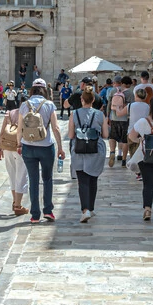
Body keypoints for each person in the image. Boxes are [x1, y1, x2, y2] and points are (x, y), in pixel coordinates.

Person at [17, 78, 65, 223]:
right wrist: (60, 147)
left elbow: (20, 128)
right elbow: (56, 128)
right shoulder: (49, 104)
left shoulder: (24, 105)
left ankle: (35, 214)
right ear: (44, 89)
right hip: (45, 146)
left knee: (33, 179)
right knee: (47, 178)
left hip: (28, 146)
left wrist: (19, 144)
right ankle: (48, 211)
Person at [68, 89, 109, 223]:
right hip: (95, 149)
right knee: (93, 179)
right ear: (93, 100)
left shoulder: (74, 114)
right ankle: (90, 208)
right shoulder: (100, 114)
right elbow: (105, 135)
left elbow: (70, 135)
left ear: (82, 99)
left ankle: (85, 210)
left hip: (79, 149)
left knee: (82, 180)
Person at [0, 96, 29, 216]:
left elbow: (2, 132)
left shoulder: (9, 113)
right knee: (21, 175)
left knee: (12, 175)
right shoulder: (27, 114)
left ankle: (15, 201)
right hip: (19, 147)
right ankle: (17, 205)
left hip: (7, 147)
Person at [107, 75, 132, 167]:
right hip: (125, 119)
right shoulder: (130, 93)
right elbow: (131, 107)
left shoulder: (113, 91)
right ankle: (124, 161)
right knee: (124, 140)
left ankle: (112, 152)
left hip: (114, 117)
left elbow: (109, 104)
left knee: (112, 137)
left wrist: (107, 116)